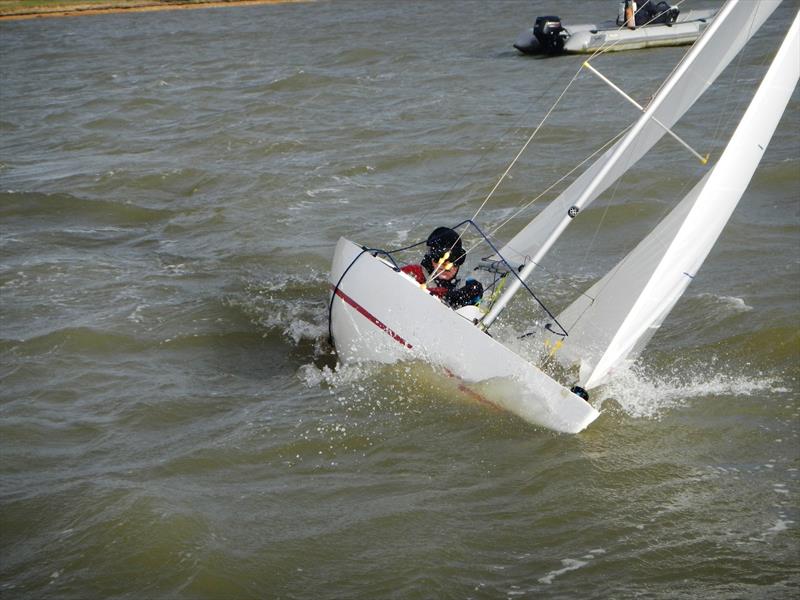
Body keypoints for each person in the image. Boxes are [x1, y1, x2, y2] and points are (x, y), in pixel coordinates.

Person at [401, 227, 483, 310]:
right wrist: (447, 295)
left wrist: (475, 296)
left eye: (454, 259)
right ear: (430, 257)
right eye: (440, 256)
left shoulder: (462, 287)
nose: (448, 265)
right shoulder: (413, 272)